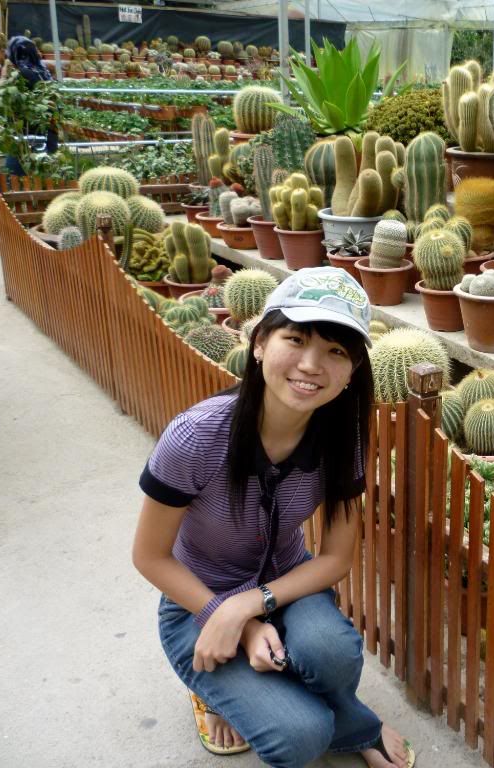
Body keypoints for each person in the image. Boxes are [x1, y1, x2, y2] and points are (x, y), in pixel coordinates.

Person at [133, 268, 414, 768]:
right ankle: (217, 691)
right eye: (296, 338)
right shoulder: (196, 437)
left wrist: (249, 607)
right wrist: (230, 621)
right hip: (195, 603)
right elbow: (149, 556)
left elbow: (335, 559)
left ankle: (347, 720)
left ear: (352, 370)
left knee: (331, 651)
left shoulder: (340, 438)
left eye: (336, 351)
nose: (311, 364)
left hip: (285, 584)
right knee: (301, 736)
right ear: (259, 342)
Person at [3, 35, 58, 174]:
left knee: (17, 183)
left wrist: (5, 76)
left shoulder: (22, 75)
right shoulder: (44, 73)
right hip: (47, 136)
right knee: (43, 180)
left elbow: (5, 101)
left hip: (27, 139)